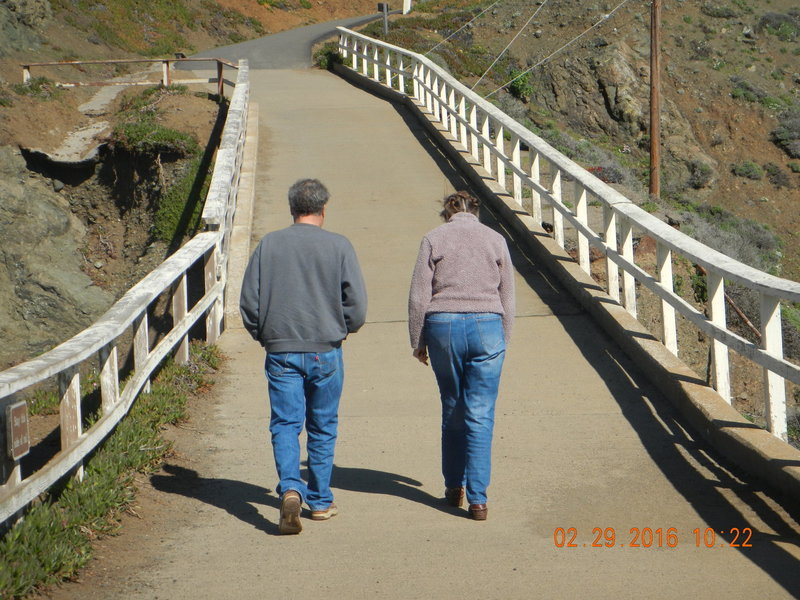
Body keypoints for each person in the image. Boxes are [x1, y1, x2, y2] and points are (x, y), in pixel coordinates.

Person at [240, 178, 367, 535]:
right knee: (322, 426)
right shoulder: (339, 246)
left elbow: (249, 301)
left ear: (292, 208)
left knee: (285, 423)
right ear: (323, 209)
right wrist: (343, 328)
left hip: (281, 349)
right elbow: (356, 305)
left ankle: (291, 488)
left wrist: (264, 335)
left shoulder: (269, 245)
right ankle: (321, 502)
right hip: (325, 349)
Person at [408, 191, 515, 521]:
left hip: (444, 326)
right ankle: (479, 499)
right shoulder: (495, 239)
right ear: (477, 212)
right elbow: (507, 296)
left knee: (452, 405)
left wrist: (418, 340)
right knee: (481, 413)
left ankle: (454, 487)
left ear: (447, 213)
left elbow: (418, 297)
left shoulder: (433, 238)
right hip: (488, 326)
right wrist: (503, 340)